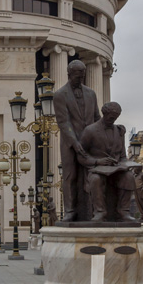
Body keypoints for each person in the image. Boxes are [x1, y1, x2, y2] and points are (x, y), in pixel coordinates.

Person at [52, 59, 100, 221]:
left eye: (83, 76)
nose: (81, 79)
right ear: (69, 74)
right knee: (70, 176)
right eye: (78, 76)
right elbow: (63, 122)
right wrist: (75, 143)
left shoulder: (91, 93)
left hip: (90, 143)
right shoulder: (60, 95)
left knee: (92, 175)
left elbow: (96, 118)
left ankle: (94, 210)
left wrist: (108, 130)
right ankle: (70, 211)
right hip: (70, 143)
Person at [79, 102, 138, 223]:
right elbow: (81, 156)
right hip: (97, 169)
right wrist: (97, 161)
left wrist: (124, 165)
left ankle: (123, 212)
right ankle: (100, 212)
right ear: (104, 114)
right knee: (96, 179)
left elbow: (122, 156)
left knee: (129, 177)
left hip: (115, 169)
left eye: (116, 118)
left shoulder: (119, 131)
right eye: (111, 117)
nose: (113, 120)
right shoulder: (90, 130)